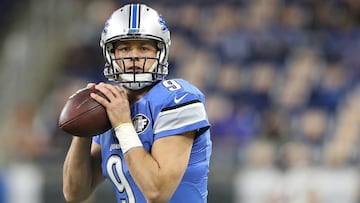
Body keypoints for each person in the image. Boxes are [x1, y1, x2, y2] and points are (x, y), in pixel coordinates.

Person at [62, 3, 212, 203]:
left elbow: (157, 192)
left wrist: (123, 124)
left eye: (143, 47)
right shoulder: (109, 103)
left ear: (160, 52)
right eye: (124, 48)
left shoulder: (178, 98)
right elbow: (75, 193)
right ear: (111, 54)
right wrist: (83, 128)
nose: (134, 56)